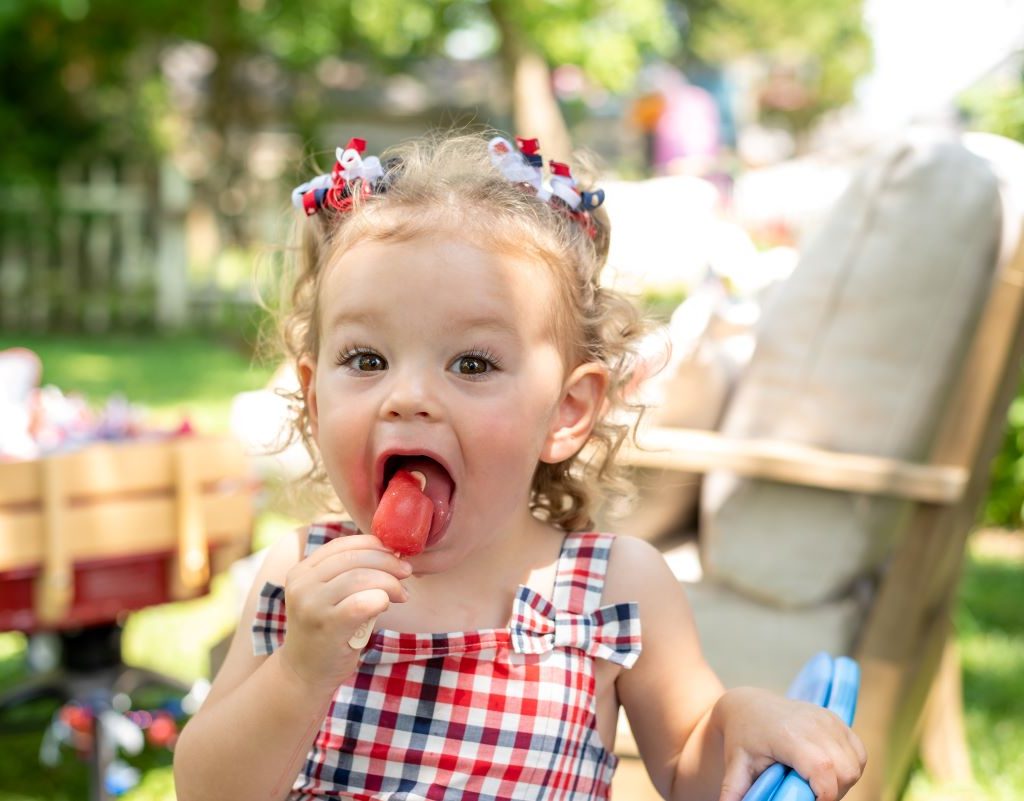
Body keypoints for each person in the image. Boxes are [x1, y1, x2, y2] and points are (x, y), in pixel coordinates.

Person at [173, 132, 865, 801]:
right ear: (316, 396)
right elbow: (204, 789)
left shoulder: (612, 588)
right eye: (366, 359)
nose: (406, 396)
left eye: (472, 363)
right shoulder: (297, 576)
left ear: (566, 410)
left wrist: (739, 718)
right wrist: (298, 672)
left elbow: (689, 760)